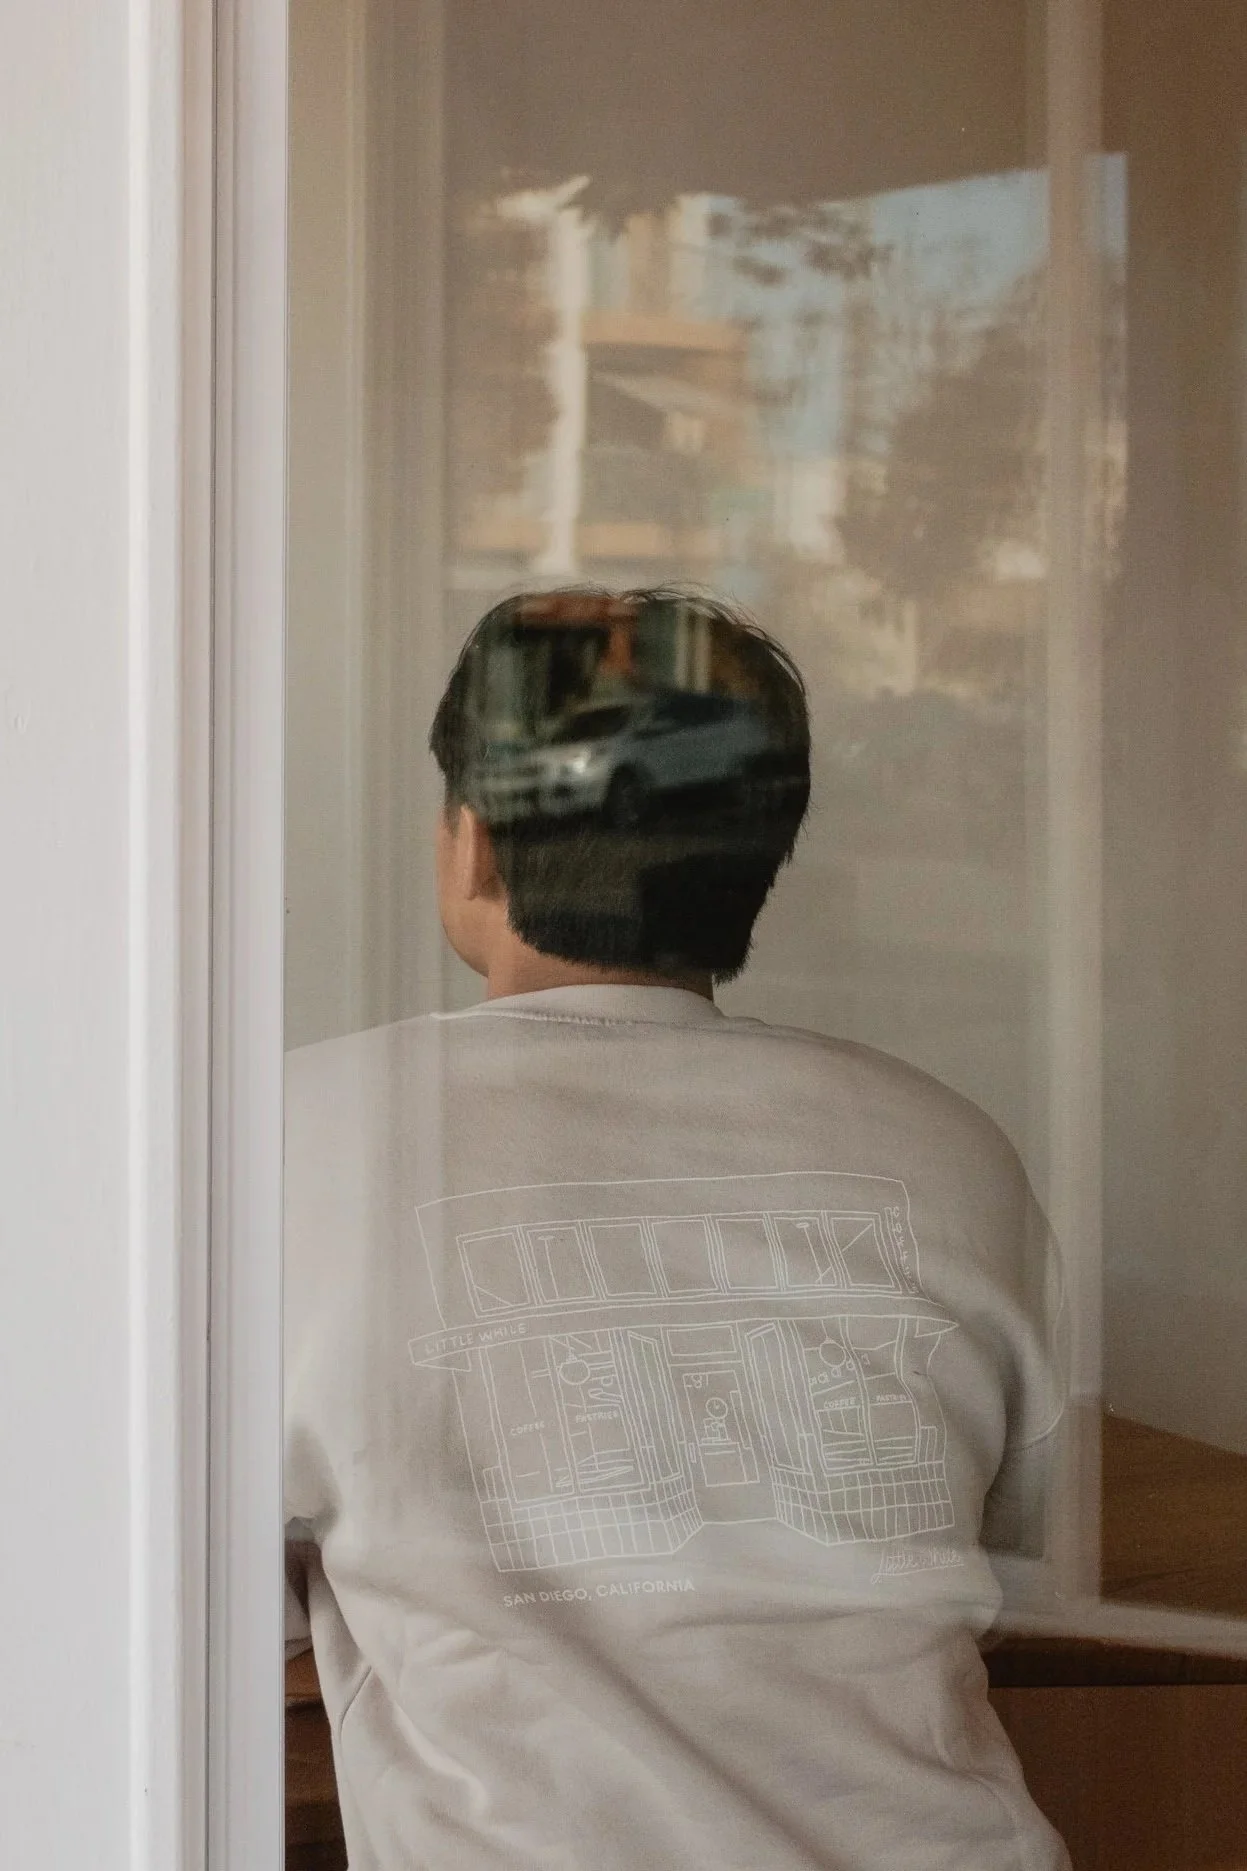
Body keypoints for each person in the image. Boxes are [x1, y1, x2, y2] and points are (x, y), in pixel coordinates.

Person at [284, 586, 1069, 1870]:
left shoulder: (290, 1137)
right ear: (751, 869)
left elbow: (191, 1587)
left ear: (470, 844)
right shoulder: (948, 1143)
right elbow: (1007, 1550)